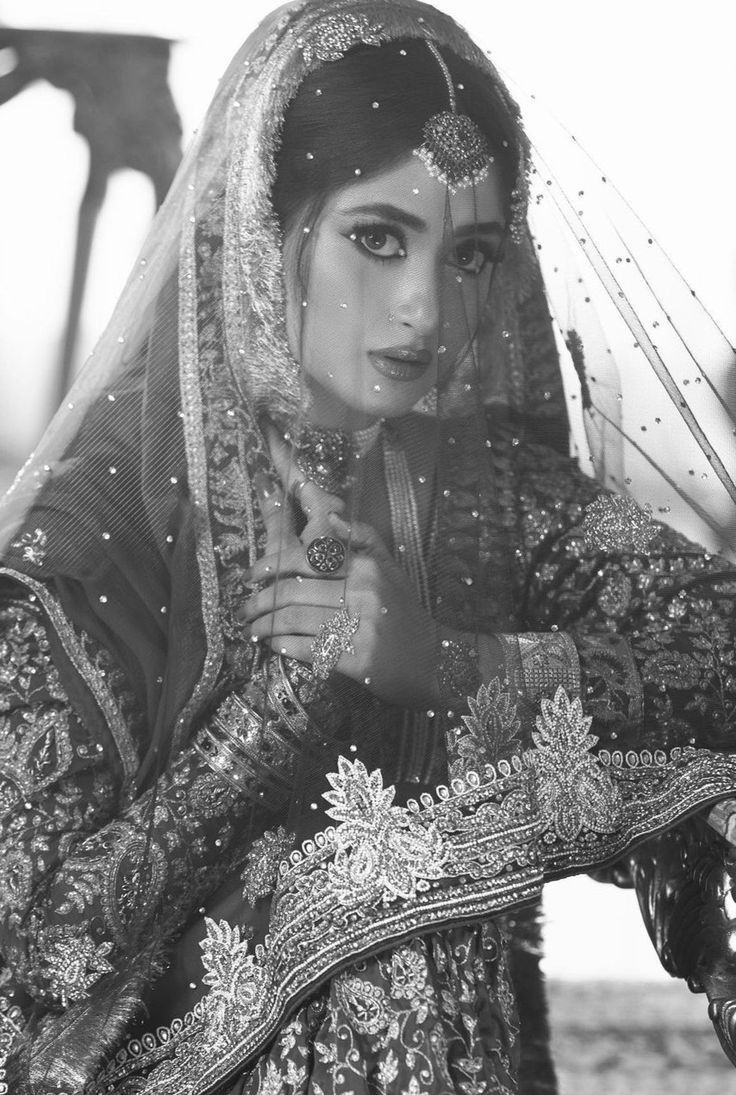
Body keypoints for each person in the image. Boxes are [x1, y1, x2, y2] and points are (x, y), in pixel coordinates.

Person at [0, 1, 735, 1092]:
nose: (424, 309)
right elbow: (31, 963)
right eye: (378, 238)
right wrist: (284, 710)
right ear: (262, 226)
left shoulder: (487, 488)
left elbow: (715, 641)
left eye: (471, 254)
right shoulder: (97, 538)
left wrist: (448, 666)